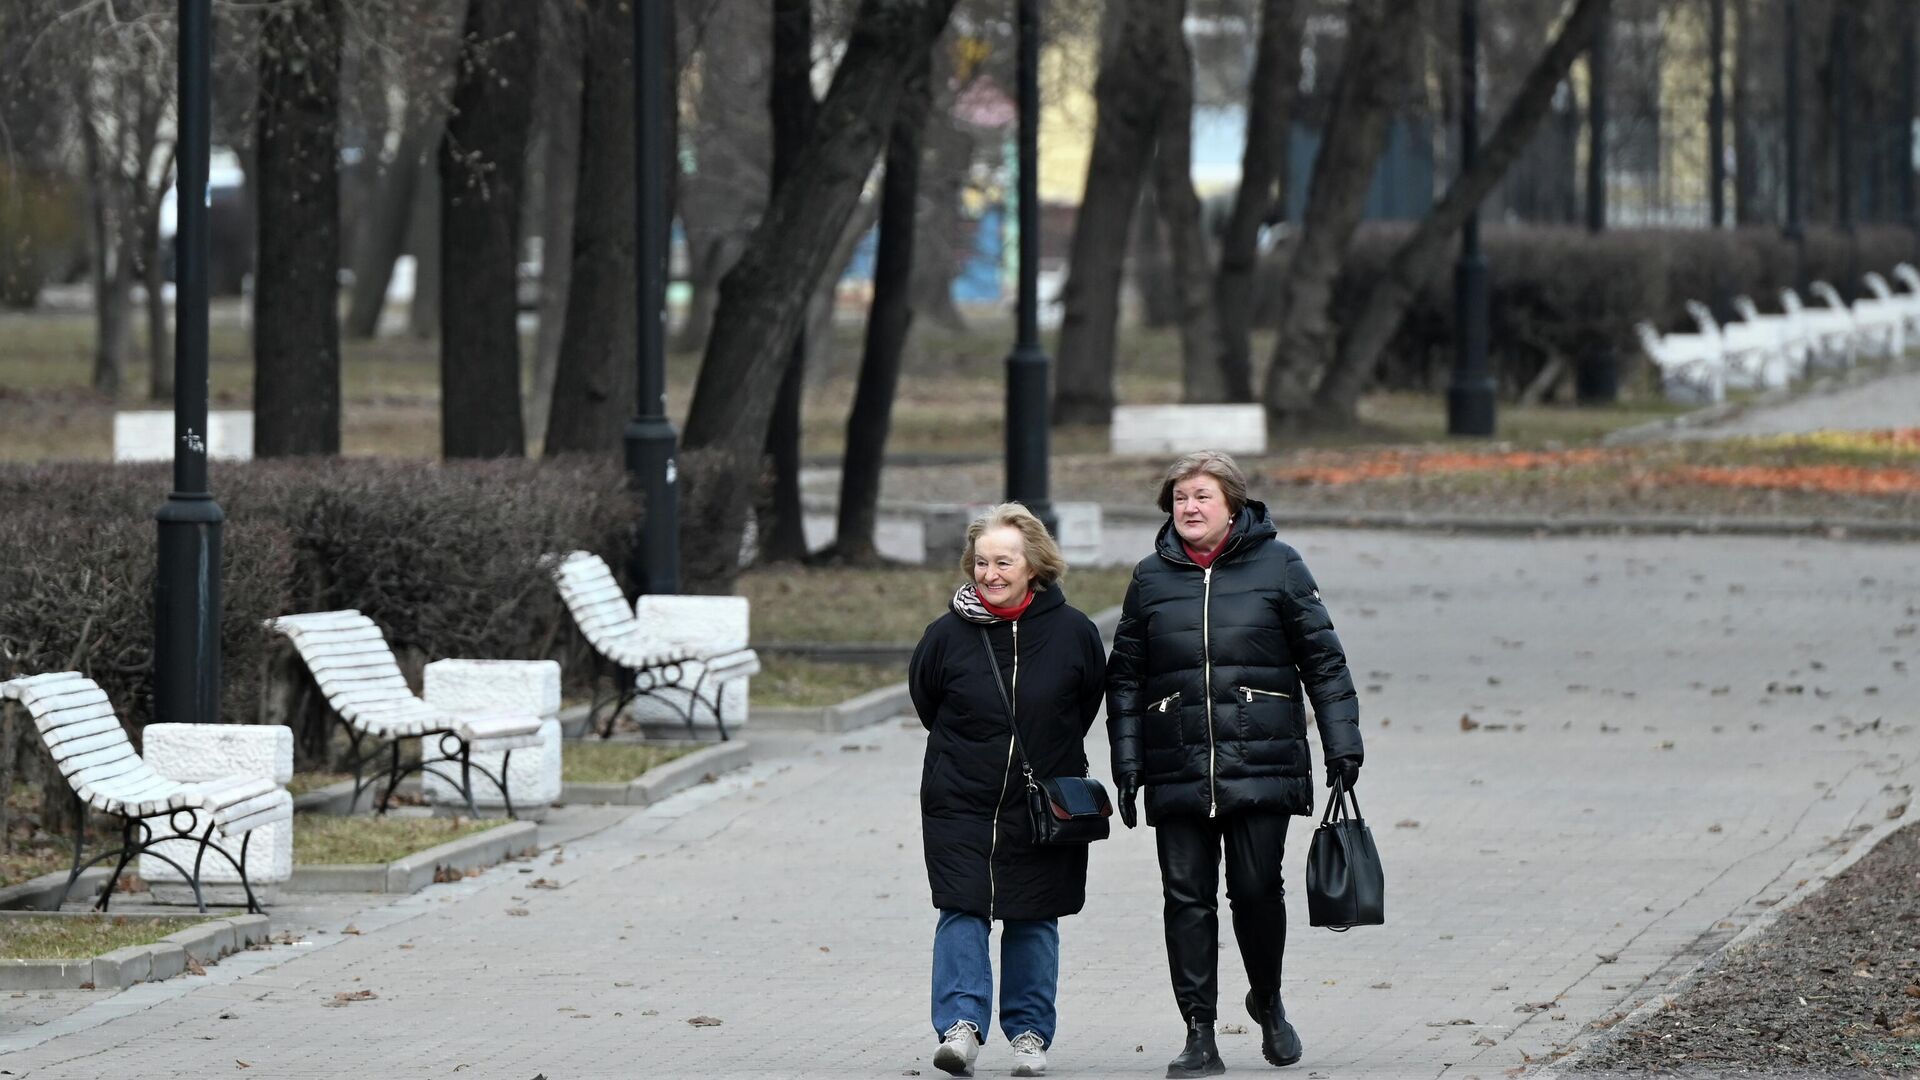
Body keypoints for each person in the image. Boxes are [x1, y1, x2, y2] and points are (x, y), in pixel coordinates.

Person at [1106, 450, 1364, 1077]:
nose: (1189, 508)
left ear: (1233, 506)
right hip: (1178, 761)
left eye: (1202, 497)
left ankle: (1268, 1000)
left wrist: (1342, 744)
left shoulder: (1281, 566)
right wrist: (1128, 762)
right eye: (1179, 498)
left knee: (1254, 891)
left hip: (1261, 758)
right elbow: (1126, 678)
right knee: (1186, 898)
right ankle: (1199, 1032)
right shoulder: (1149, 578)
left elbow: (1323, 661)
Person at [909, 503, 1108, 1079]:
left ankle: (1027, 1034)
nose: (990, 573)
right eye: (981, 562)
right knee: (962, 909)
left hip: (1044, 803)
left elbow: (1084, 704)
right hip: (959, 798)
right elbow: (929, 704)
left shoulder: (1073, 633)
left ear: (1035, 566)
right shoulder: (945, 636)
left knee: (1033, 915)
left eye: (1004, 562)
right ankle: (960, 1028)